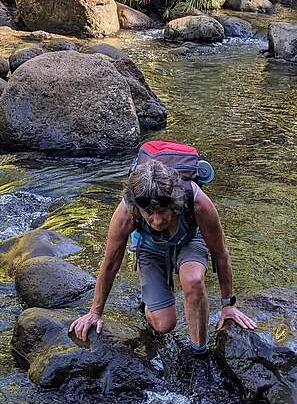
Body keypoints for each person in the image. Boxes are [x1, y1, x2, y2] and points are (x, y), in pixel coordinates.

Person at [69, 157, 257, 383]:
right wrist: (95, 313)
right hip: (149, 248)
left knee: (193, 281)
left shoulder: (197, 203)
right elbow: (110, 262)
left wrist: (228, 306)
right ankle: (148, 306)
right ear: (138, 207)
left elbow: (221, 253)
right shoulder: (126, 212)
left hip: (189, 240)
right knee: (164, 325)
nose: (157, 221)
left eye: (163, 212)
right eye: (149, 214)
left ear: (174, 201)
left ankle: (199, 355)